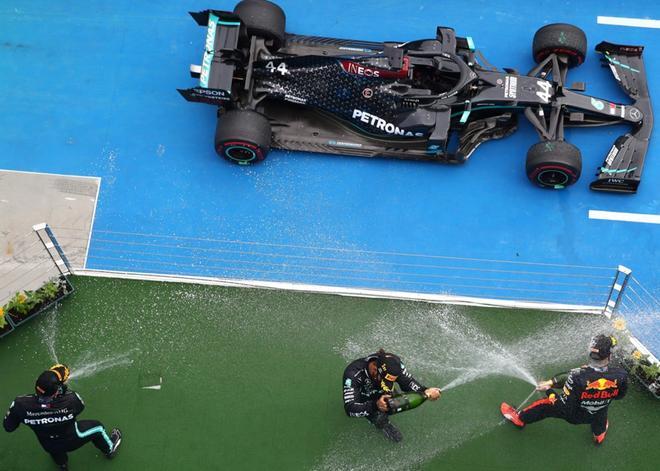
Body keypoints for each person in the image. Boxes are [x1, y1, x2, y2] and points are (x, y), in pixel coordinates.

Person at [500, 334, 628, 445]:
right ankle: (599, 434)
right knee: (601, 410)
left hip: (574, 416)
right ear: (609, 356)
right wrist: (599, 397)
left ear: (591, 354)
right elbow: (619, 396)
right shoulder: (621, 375)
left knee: (545, 405)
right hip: (596, 415)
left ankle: (519, 418)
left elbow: (565, 406)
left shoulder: (578, 376)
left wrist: (549, 390)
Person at [3, 364, 122, 469]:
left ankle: (62, 464)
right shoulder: (71, 400)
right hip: (73, 439)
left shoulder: (20, 404)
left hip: (49, 444)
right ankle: (109, 449)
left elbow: (8, 427)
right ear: (56, 392)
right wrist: (64, 391)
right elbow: (81, 407)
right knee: (98, 427)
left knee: (55, 450)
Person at [343, 349, 441, 442]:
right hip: (366, 399)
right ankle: (383, 424)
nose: (387, 385)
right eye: (384, 381)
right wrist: (375, 405)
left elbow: (408, 382)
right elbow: (350, 408)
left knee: (395, 404)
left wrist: (425, 390)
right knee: (379, 418)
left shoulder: (394, 364)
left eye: (389, 382)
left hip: (382, 395)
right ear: (374, 368)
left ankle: (386, 410)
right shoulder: (353, 374)